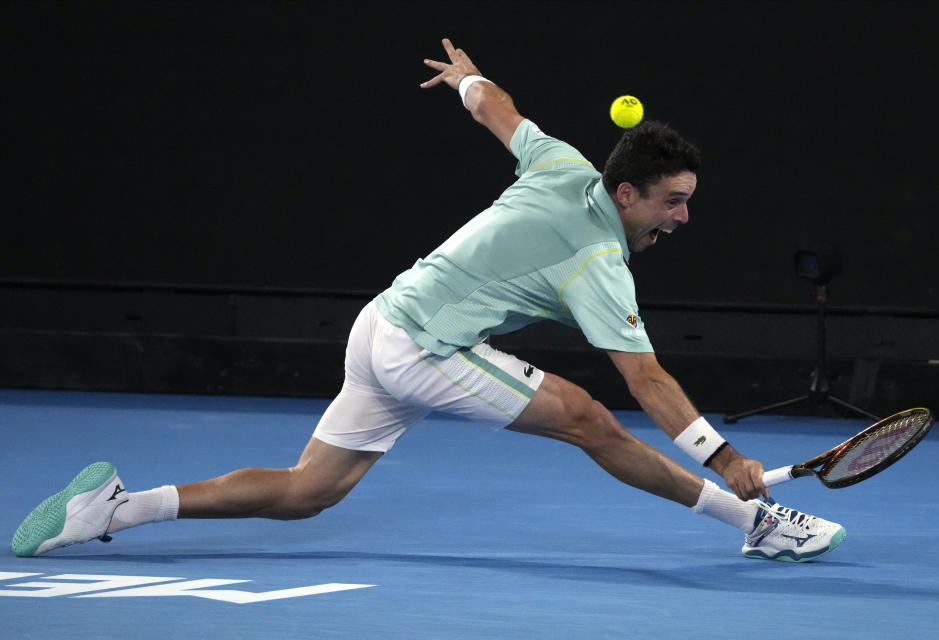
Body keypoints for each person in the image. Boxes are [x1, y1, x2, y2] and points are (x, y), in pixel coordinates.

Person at [12, 38, 845, 562]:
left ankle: (116, 507)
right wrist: (724, 459)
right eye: (672, 202)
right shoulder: (598, 260)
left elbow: (500, 112)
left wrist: (466, 78)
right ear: (625, 193)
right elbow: (647, 377)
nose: (684, 218)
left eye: (690, 200)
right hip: (419, 346)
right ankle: (752, 522)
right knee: (589, 417)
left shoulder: (560, 161)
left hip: (377, 323)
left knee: (309, 494)